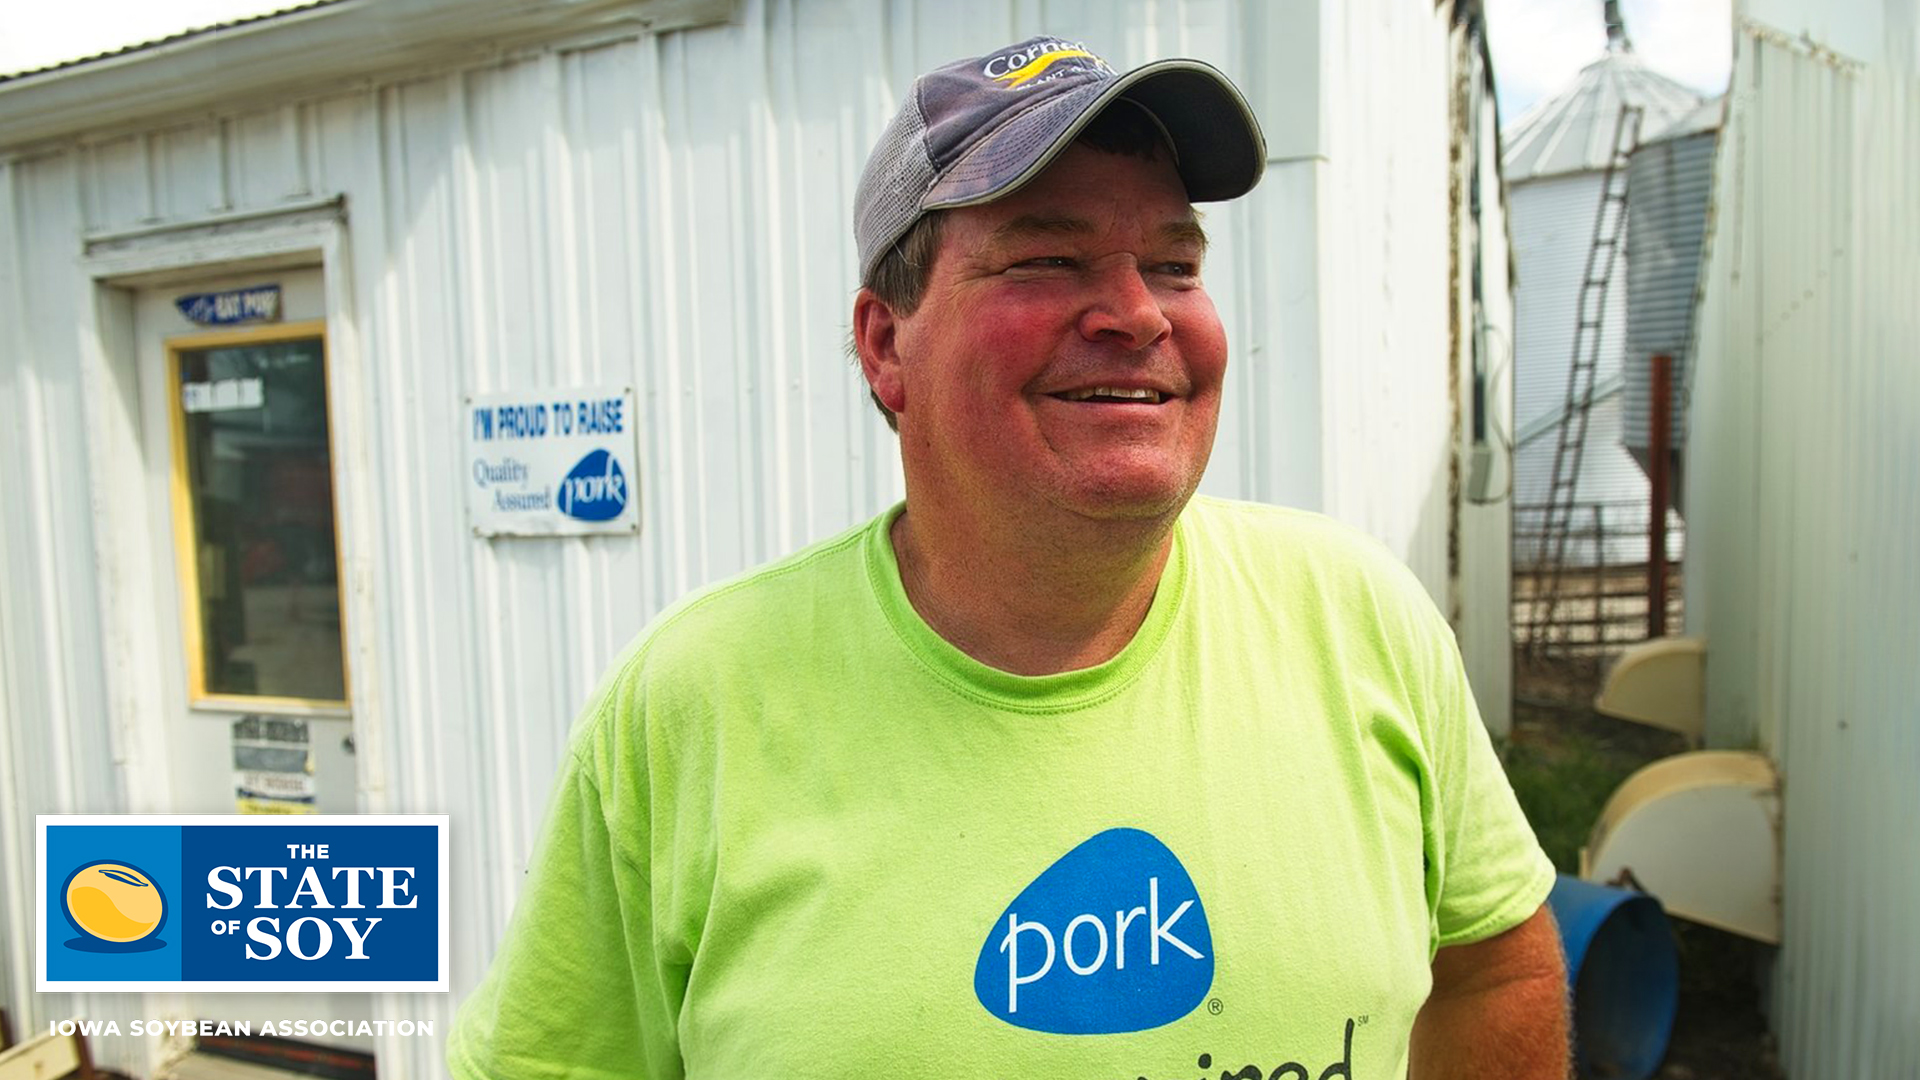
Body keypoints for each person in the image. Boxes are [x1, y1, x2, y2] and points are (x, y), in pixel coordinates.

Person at [448, 36, 1567, 1079]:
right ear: (888, 345)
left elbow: (1496, 965)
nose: (1137, 313)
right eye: (1047, 258)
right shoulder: (690, 707)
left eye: (1175, 264)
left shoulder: (1358, 618)